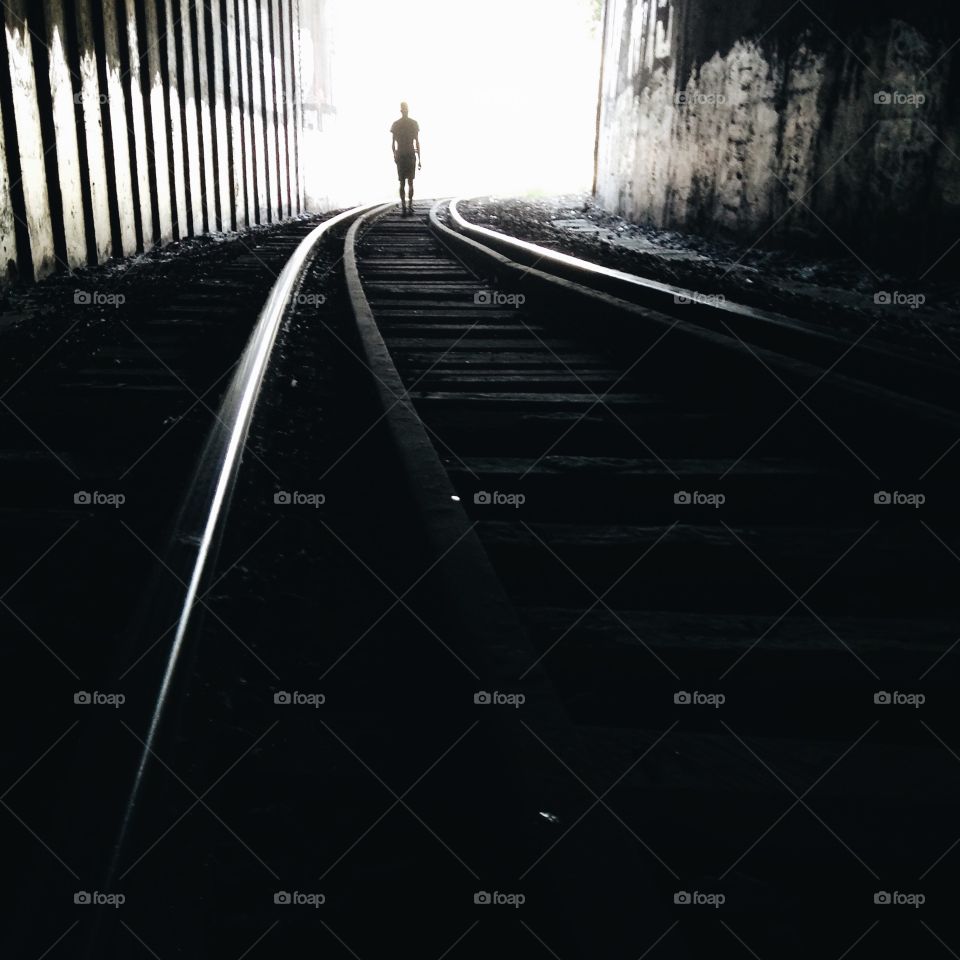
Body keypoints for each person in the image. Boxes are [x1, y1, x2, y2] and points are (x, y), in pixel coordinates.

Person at [390, 102, 421, 216]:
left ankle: (404, 206)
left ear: (401, 110)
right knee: (410, 182)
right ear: (407, 110)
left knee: (402, 182)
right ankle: (410, 206)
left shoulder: (396, 124)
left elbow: (393, 144)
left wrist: (395, 155)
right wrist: (419, 158)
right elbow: (417, 142)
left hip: (401, 155)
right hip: (410, 154)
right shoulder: (413, 123)